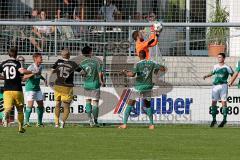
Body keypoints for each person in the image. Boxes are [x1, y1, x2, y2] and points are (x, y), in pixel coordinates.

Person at [118, 50, 166, 129]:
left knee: (130, 103)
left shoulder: (138, 64)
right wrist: (156, 71)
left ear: (139, 56)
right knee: (147, 105)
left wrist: (125, 73)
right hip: (148, 86)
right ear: (146, 55)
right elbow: (163, 69)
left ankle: (124, 124)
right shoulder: (152, 63)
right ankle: (151, 124)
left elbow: (132, 74)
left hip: (139, 87)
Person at [0, 47, 36, 133]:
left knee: (8, 108)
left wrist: (4, 77)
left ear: (8, 54)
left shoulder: (3, 63)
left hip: (7, 90)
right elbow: (22, 71)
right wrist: (31, 72)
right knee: (20, 109)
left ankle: (5, 114)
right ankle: (20, 128)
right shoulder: (17, 63)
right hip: (17, 89)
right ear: (16, 54)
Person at [51, 48, 83, 128]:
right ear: (69, 55)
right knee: (66, 106)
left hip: (58, 85)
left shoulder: (58, 62)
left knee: (57, 104)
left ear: (61, 55)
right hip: (67, 86)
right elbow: (82, 72)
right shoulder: (73, 64)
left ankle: (56, 123)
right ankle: (63, 122)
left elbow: (52, 71)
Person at [203, 53, 234, 128]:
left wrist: (231, 81)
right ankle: (214, 120)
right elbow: (212, 73)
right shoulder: (215, 66)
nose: (219, 58)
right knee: (213, 102)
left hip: (223, 85)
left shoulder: (227, 67)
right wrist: (206, 76)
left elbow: (233, 74)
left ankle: (224, 119)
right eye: (218, 57)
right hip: (215, 86)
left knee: (223, 102)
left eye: (220, 57)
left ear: (223, 58)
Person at [80, 46, 104, 127]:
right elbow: (100, 73)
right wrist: (102, 81)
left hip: (86, 84)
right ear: (90, 52)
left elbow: (82, 74)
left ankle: (90, 120)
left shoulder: (82, 63)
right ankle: (96, 121)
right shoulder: (96, 62)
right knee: (95, 103)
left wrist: (84, 76)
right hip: (95, 84)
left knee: (88, 102)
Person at [23, 53, 46, 127]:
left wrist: (43, 79)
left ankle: (39, 123)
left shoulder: (41, 66)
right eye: (40, 58)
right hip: (30, 88)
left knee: (41, 105)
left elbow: (38, 74)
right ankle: (26, 122)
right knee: (30, 105)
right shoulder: (31, 67)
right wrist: (33, 73)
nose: (42, 59)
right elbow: (25, 77)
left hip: (37, 88)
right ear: (35, 59)